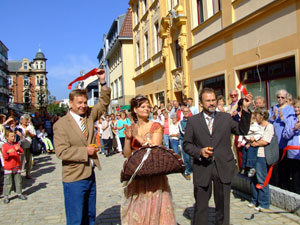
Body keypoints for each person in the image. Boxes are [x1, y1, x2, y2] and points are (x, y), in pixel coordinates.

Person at [183, 87, 252, 225]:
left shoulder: (225, 118)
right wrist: (199, 152)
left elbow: (242, 130)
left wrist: (244, 109)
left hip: (223, 166)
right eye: (208, 100)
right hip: (202, 167)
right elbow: (187, 145)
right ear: (201, 103)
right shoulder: (193, 121)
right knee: (201, 206)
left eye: (213, 100)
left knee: (223, 207)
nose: (212, 103)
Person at [54, 70, 110, 225]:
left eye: (85, 102)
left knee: (90, 216)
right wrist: (86, 151)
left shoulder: (90, 116)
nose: (83, 106)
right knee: (76, 219)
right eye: (79, 103)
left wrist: (103, 82)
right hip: (74, 177)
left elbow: (104, 102)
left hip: (90, 174)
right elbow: (61, 151)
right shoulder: (61, 125)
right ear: (71, 104)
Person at [121, 95, 176, 225]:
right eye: (143, 106)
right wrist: (128, 139)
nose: (147, 109)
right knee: (138, 212)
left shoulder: (155, 126)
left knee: (155, 210)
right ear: (135, 109)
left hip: (154, 174)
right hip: (137, 174)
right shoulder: (133, 127)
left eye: (148, 106)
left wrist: (137, 136)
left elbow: (155, 148)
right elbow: (127, 154)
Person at [248, 107, 273, 212]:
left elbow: (266, 141)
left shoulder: (269, 126)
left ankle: (264, 202)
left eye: (257, 115)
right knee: (253, 178)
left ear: (262, 116)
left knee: (262, 179)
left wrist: (254, 143)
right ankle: (255, 200)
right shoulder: (257, 126)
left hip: (262, 155)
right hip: (254, 155)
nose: (255, 117)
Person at [269, 89, 295, 189]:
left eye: (282, 97)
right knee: (275, 166)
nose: (280, 99)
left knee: (284, 166)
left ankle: (285, 186)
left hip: (284, 142)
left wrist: (283, 118)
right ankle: (276, 184)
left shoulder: (290, 109)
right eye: (278, 97)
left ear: (286, 98)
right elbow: (269, 122)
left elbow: (291, 125)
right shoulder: (273, 108)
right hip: (274, 142)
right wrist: (274, 117)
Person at [2, 129, 27, 204]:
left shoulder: (16, 144)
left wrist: (18, 150)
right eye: (11, 136)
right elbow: (5, 156)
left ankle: (19, 193)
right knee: (8, 182)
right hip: (9, 166)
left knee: (18, 180)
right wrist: (8, 153)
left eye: (14, 136)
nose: (13, 138)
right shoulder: (5, 146)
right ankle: (6, 195)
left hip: (16, 165)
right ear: (7, 137)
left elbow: (21, 152)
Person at [282, 99, 300, 194]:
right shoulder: (290, 119)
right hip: (293, 153)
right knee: (295, 175)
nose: (297, 109)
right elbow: (285, 135)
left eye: (298, 107)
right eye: (295, 107)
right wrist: (294, 129)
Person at [16, 114, 36, 179]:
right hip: (21, 145)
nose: (25, 121)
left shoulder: (30, 127)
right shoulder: (18, 127)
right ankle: (20, 173)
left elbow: (34, 135)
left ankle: (28, 173)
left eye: (26, 120)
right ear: (21, 121)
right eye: (24, 120)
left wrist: (29, 133)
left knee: (29, 160)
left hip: (29, 145)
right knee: (21, 160)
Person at [179, 106, 192, 180]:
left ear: (189, 112)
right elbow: (183, 132)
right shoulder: (181, 122)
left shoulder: (192, 120)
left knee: (191, 157)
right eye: (184, 112)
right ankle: (187, 172)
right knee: (186, 157)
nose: (186, 113)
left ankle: (191, 168)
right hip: (184, 141)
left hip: (192, 141)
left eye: (187, 111)